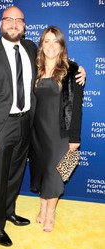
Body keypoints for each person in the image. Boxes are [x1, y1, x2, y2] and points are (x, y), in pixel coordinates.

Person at [0, 7, 85, 247]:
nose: (14, 24)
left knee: (16, 175)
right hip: (1, 128)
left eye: (19, 20)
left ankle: (9, 211)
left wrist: (79, 69)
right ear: (1, 23)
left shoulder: (31, 49)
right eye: (9, 20)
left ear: (24, 25)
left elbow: (59, 63)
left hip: (27, 124)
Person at [29, 26, 84, 233]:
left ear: (62, 46)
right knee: (43, 171)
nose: (51, 46)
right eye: (47, 41)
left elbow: (76, 107)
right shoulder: (34, 69)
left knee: (54, 174)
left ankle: (51, 213)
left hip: (60, 133)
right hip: (36, 132)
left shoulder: (72, 70)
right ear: (41, 45)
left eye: (56, 41)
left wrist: (74, 137)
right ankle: (42, 208)